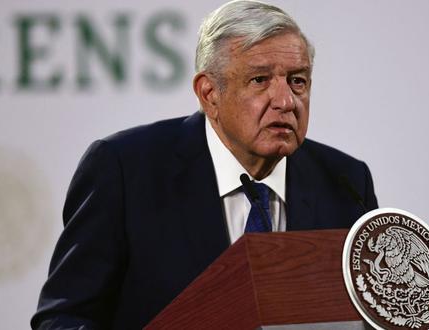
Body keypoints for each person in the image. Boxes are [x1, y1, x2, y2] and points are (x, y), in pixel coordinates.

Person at [31, 1, 378, 329]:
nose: (286, 101)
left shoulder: (346, 181)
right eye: (260, 80)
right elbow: (63, 317)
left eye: (297, 81)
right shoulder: (124, 170)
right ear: (209, 94)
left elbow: (374, 310)